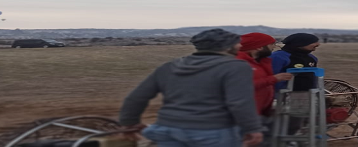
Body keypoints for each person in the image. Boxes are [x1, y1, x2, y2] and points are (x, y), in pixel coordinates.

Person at [119, 28, 263, 147]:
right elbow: (239, 102)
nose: (239, 46)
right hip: (214, 132)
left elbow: (136, 97)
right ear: (227, 47)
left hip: (168, 130)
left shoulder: (170, 66)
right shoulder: (235, 67)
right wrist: (252, 128)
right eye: (237, 44)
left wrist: (129, 123)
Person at [238, 33, 293, 122]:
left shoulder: (260, 62)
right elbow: (241, 86)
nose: (274, 47)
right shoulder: (239, 64)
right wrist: (273, 79)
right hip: (242, 115)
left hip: (257, 112)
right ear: (259, 47)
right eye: (272, 44)